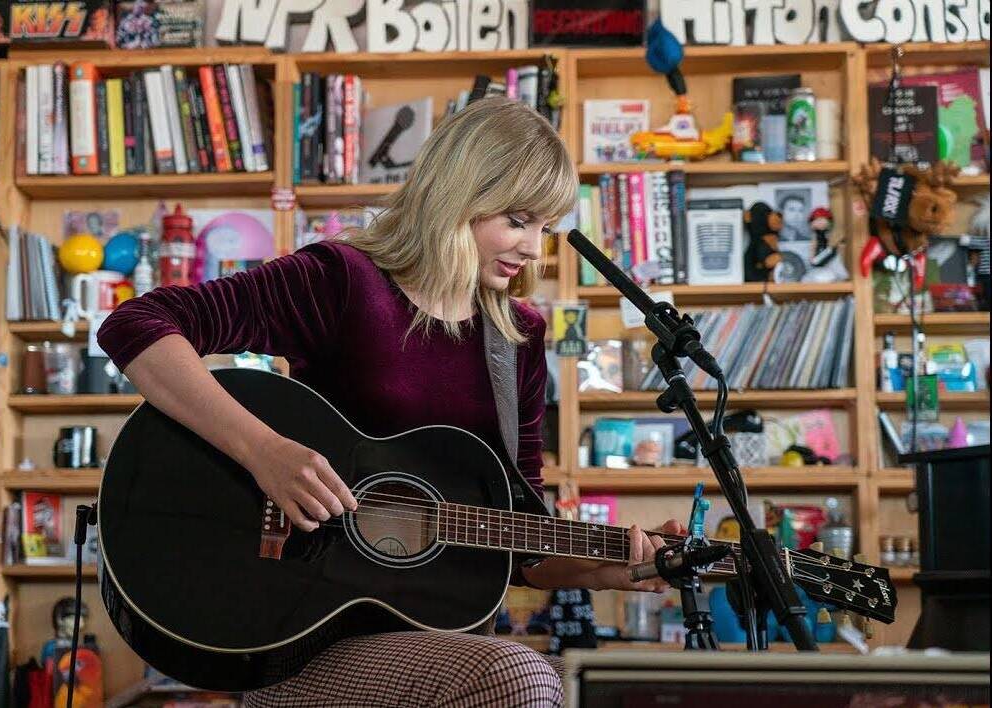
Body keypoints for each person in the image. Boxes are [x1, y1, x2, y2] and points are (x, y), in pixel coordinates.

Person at [97, 96, 684, 707]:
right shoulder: (341, 280)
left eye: (544, 226)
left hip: (447, 647)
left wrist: (609, 567)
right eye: (517, 219)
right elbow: (138, 323)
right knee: (523, 677)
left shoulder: (520, 338)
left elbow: (524, 547)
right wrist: (263, 451)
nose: (535, 248)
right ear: (458, 196)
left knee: (531, 674)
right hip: (299, 635)